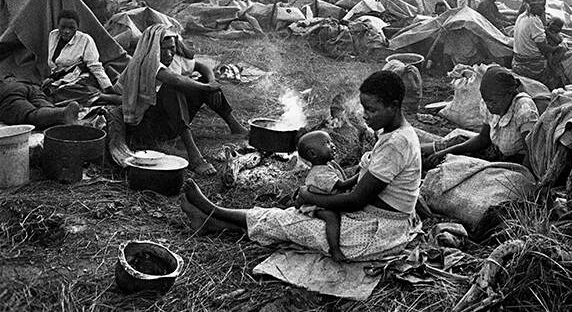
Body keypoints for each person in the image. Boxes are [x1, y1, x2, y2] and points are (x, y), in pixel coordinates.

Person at [179, 71, 422, 262]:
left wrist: (309, 196)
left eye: (372, 109)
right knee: (292, 218)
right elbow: (361, 182)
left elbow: (356, 200)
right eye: (364, 108)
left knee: (292, 222)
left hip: (377, 230)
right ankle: (212, 221)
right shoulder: (392, 135)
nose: (366, 115)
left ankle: (213, 211)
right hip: (373, 216)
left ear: (394, 105)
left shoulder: (397, 143)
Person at [115, 25, 248, 175]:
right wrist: (207, 88)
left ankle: (235, 126)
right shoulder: (147, 64)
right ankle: (195, 157)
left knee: (201, 81)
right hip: (147, 128)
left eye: (172, 48)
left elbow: (202, 66)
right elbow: (176, 80)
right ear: (154, 49)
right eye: (163, 49)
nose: (169, 53)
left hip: (170, 124)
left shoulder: (172, 60)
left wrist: (210, 82)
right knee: (172, 89)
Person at [423, 67, 539, 167]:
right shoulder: (489, 104)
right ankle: (420, 151)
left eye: (493, 102)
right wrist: (445, 152)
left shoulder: (524, 109)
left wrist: (523, 179)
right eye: (487, 101)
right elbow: (483, 138)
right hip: (496, 153)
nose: (489, 106)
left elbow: (532, 153)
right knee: (458, 142)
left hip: (515, 163)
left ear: (508, 94)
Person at [511, 0, 572, 90]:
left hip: (517, 62)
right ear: (533, 6)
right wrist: (557, 49)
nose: (543, 9)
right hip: (533, 66)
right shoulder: (534, 21)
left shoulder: (522, 17)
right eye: (541, 6)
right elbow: (544, 48)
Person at [44, 9, 114, 104]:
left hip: (82, 78)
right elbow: (54, 65)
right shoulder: (53, 35)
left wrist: (107, 87)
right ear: (58, 25)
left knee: (65, 91)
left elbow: (95, 67)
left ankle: (107, 98)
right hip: (60, 79)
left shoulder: (85, 40)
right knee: (46, 91)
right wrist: (52, 78)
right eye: (63, 27)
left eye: (71, 28)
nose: (66, 31)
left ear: (77, 27)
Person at [297, 130, 347, 261]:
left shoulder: (328, 165)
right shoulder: (320, 173)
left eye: (331, 142)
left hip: (326, 198)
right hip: (316, 205)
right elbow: (342, 185)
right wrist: (360, 175)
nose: (333, 145)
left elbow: (341, 177)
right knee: (332, 217)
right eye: (327, 143)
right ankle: (334, 249)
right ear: (313, 154)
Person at [0, 76, 79, 128]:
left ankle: (62, 114)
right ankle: (59, 115)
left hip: (7, 93)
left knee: (29, 115)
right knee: (44, 105)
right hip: (26, 86)